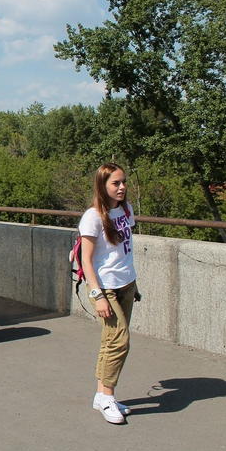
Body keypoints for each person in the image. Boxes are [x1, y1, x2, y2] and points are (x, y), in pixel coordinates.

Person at [78, 163, 138, 425]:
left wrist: (135, 285)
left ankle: (101, 395)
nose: (122, 187)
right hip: (106, 288)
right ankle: (108, 397)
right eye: (116, 183)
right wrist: (98, 295)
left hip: (127, 283)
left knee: (110, 341)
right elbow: (87, 260)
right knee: (119, 341)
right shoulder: (92, 217)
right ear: (102, 186)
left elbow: (125, 250)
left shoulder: (126, 211)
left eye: (123, 182)